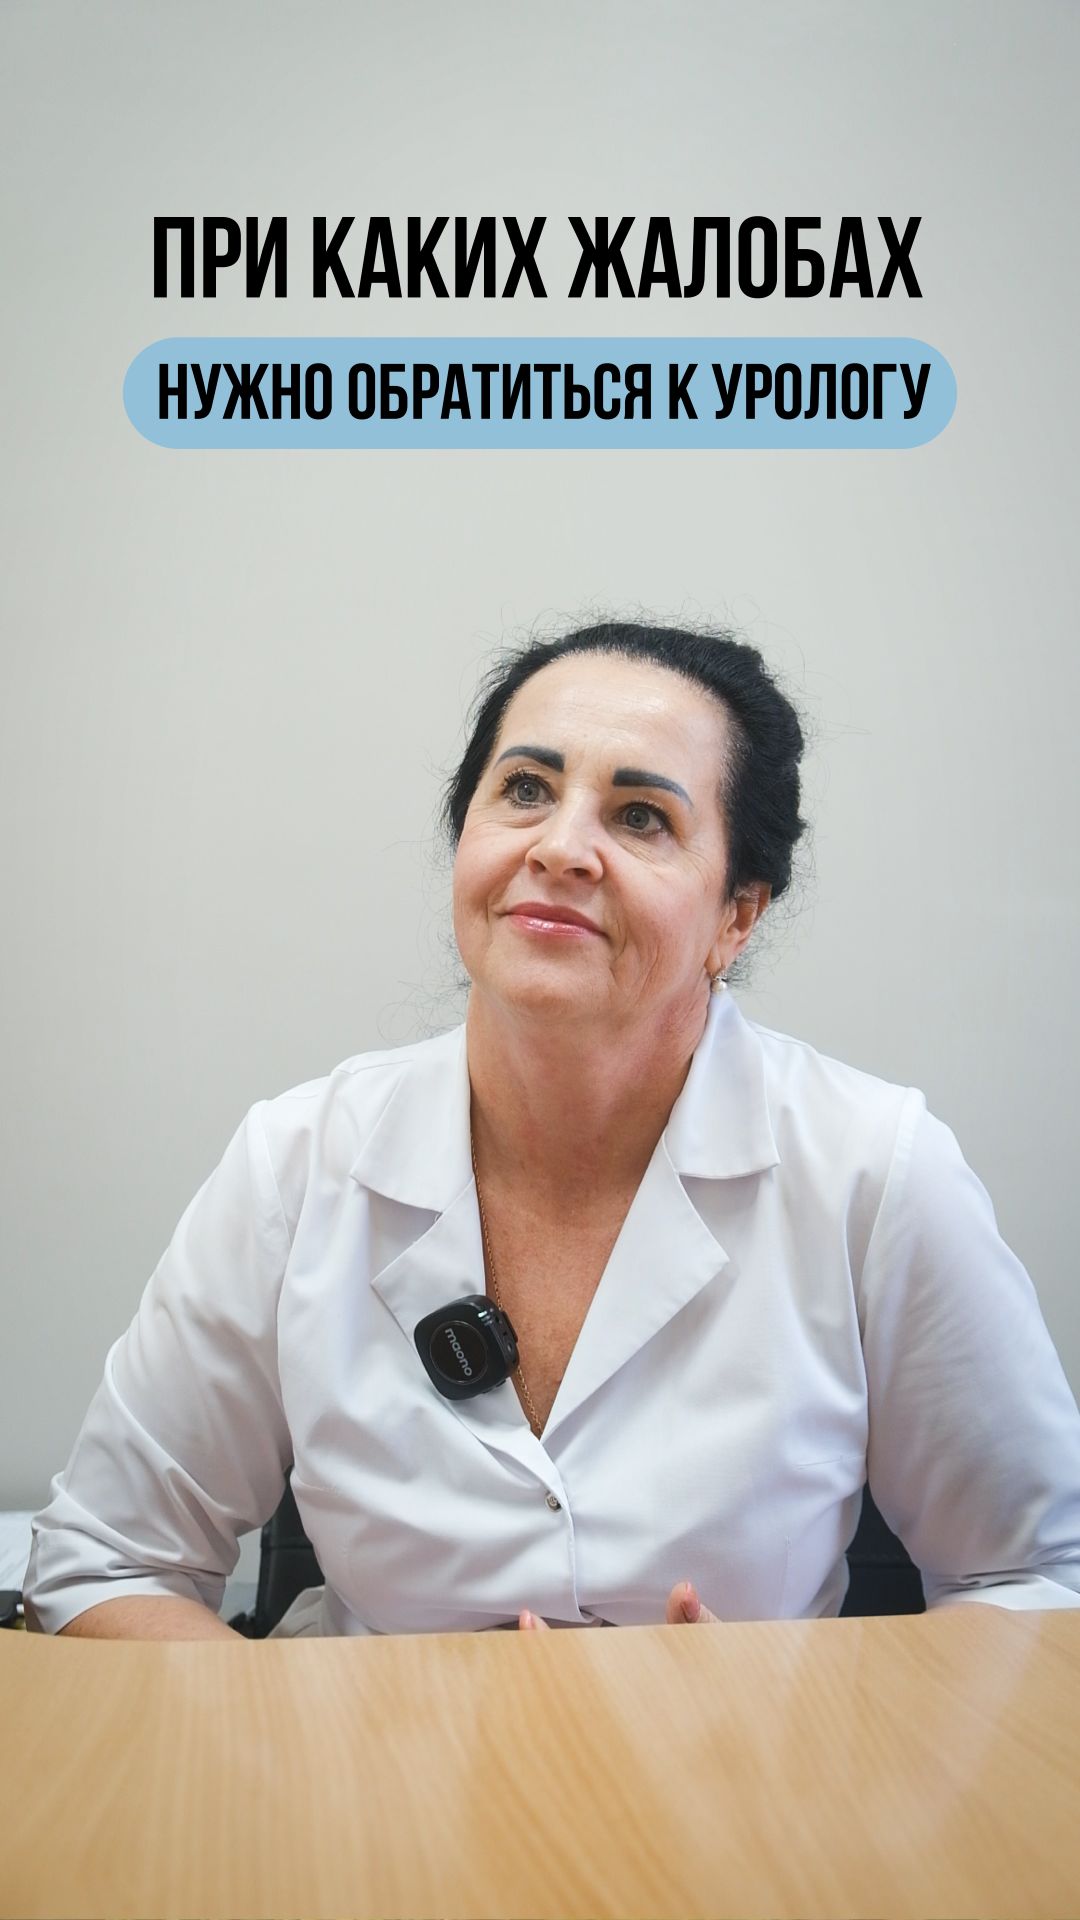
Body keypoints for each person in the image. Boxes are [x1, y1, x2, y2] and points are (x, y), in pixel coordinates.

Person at [23, 620, 1080, 1639]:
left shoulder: (874, 1172)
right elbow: (105, 1563)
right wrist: (325, 1741)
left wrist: (785, 1719)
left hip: (751, 1769)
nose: (562, 847)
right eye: (525, 790)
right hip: (365, 1764)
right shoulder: (296, 1163)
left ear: (737, 915)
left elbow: (1039, 1580)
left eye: (641, 816)